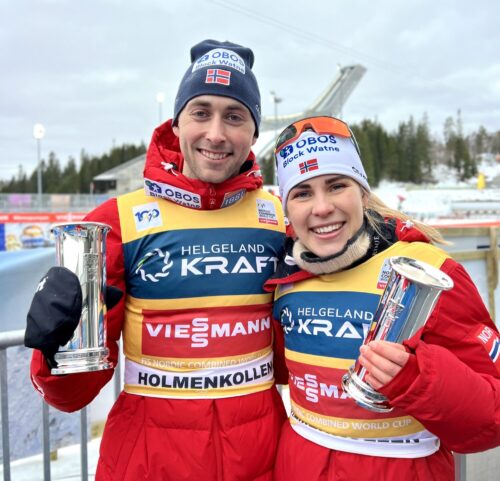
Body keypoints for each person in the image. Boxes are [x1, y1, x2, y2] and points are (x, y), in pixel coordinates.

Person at [24, 39, 288, 481]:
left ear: (255, 133)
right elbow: (71, 395)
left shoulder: (282, 219)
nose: (217, 133)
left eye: (235, 116)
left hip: (260, 459)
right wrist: (56, 349)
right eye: (201, 112)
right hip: (148, 462)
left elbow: (291, 361)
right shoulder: (116, 222)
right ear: (177, 122)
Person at [264, 116, 500, 481]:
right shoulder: (285, 280)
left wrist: (417, 378)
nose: (322, 207)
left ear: (362, 192)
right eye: (303, 193)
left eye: (336, 185)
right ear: (288, 209)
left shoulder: (429, 272)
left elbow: (492, 418)